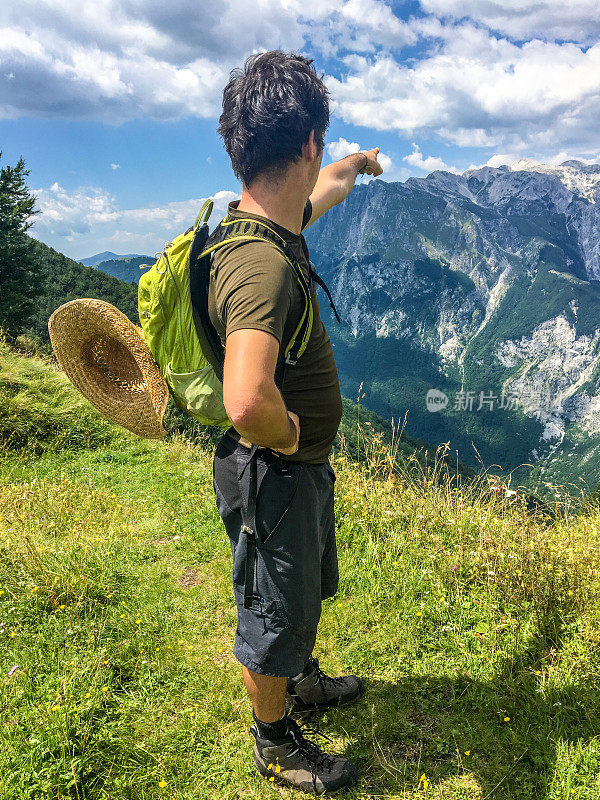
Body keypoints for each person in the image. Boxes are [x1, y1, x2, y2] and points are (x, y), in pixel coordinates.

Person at [210, 50, 383, 795]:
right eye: (326, 146)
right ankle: (275, 742)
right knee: (271, 609)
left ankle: (300, 677)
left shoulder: (269, 224)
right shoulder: (264, 267)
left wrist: (358, 162)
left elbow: (332, 186)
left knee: (298, 591)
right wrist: (286, 435)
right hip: (274, 471)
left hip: (291, 472)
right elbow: (245, 399)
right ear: (306, 142)